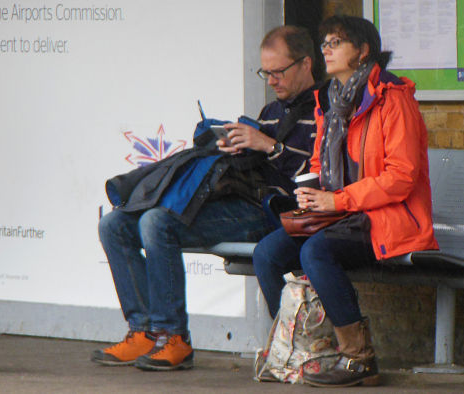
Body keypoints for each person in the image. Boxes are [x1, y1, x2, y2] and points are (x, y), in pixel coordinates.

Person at [91, 25, 319, 371]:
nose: (271, 80)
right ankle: (145, 332)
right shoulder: (271, 110)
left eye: (279, 72)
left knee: (156, 221)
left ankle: (174, 337)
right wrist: (233, 146)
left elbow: (319, 174)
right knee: (114, 224)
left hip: (272, 211)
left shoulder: (325, 108)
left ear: (305, 64)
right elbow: (256, 163)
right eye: (266, 72)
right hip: (239, 198)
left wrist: (268, 146)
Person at [252, 15, 439, 387]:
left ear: (363, 50)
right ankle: (300, 349)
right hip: (342, 212)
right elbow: (322, 161)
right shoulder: (330, 100)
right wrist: (311, 187)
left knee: (316, 252)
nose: (326, 49)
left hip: (388, 217)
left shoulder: (393, 99)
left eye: (335, 43)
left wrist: (337, 201)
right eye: (324, 43)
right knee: (267, 254)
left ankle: (357, 358)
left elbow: (401, 178)